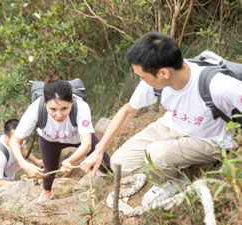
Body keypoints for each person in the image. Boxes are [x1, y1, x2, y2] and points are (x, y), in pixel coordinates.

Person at [80, 32, 242, 205]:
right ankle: (172, 162)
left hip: (211, 139)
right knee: (120, 164)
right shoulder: (156, 80)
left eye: (142, 76)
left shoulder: (218, 85)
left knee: (155, 154)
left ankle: (171, 182)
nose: (141, 80)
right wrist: (99, 149)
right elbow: (128, 110)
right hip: (173, 125)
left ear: (164, 73)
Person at [10, 75, 112, 202]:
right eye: (53, 109)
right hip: (49, 140)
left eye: (64, 108)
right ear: (45, 103)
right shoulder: (35, 109)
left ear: (72, 101)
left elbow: (86, 144)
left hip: (78, 139)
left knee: (107, 166)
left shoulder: (81, 107)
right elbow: (14, 140)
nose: (59, 115)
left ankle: (104, 181)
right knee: (49, 172)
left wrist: (70, 160)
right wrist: (23, 163)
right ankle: (47, 191)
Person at [0, 119, 43, 189]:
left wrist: (37, 161)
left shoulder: (18, 139)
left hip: (8, 181)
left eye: (21, 139)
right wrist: (17, 184)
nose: (19, 141)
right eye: (16, 139)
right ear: (6, 137)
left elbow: (22, 149)